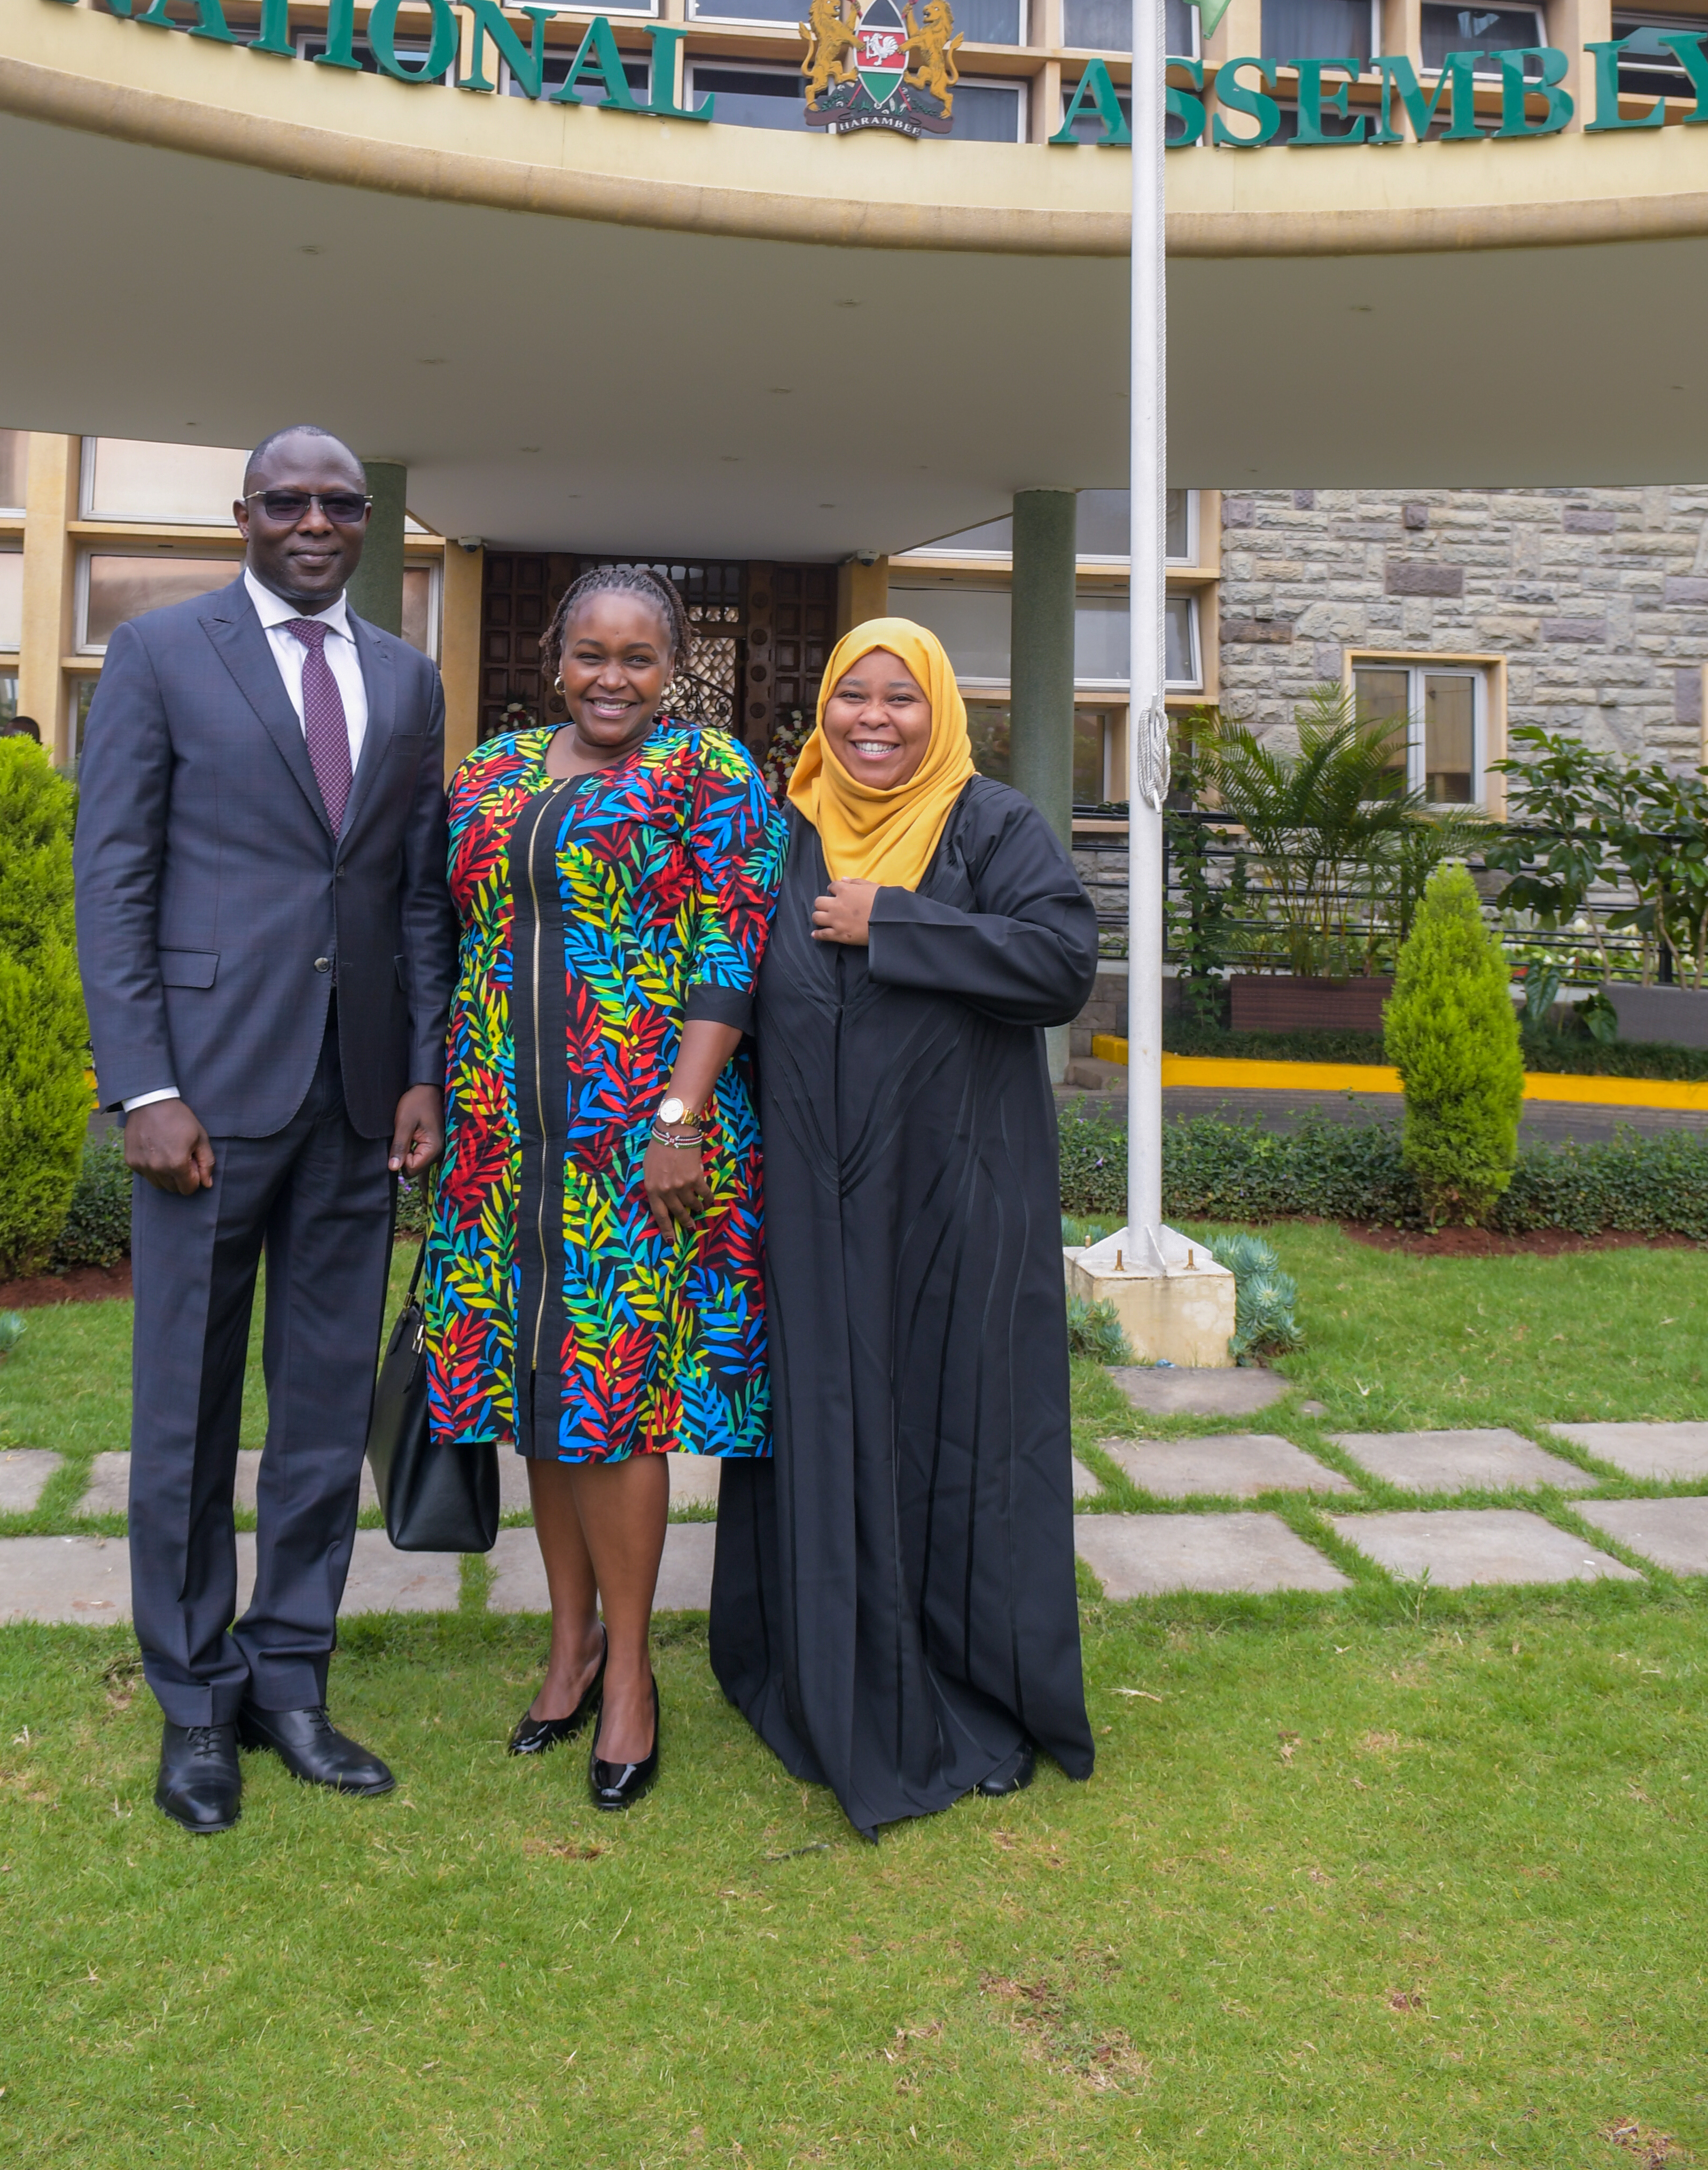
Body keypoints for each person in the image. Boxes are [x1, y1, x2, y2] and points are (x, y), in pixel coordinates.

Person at [74, 427, 454, 1836]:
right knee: (183, 1411)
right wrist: (145, 1086)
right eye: (285, 501)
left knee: (318, 1410)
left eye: (337, 505)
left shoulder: (408, 680)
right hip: (206, 1104)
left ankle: (291, 1675)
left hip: (358, 1104)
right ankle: (193, 1702)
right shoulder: (162, 656)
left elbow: (416, 898)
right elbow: (112, 881)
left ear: (366, 525)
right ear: (241, 513)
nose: (312, 521)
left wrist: (420, 1071)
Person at [710, 618, 1099, 1838]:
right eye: (851, 698)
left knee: (957, 1429)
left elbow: (1061, 961)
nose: (874, 721)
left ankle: (971, 1680)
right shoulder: (781, 832)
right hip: (813, 1208)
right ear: (820, 708)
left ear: (941, 711)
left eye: (901, 699)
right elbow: (721, 980)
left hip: (956, 1199)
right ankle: (830, 1662)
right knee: (832, 1414)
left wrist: (896, 923)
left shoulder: (992, 824)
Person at [425, 566, 781, 1810]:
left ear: (672, 663)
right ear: (552, 655)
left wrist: (681, 1113)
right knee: (538, 1387)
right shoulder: (494, 770)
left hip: (637, 1140)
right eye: (591, 653)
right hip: (497, 1136)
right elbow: (453, 931)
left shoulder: (710, 774)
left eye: (639, 655)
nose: (612, 677)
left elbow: (732, 948)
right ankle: (566, 1639)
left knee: (617, 1395)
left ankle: (631, 1673)